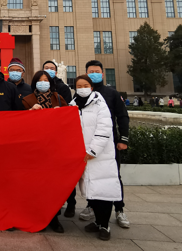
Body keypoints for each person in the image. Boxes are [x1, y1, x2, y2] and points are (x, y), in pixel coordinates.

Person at [80, 60, 129, 229]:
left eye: (97, 71)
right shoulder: (81, 95)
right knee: (90, 176)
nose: (94, 74)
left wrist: (123, 139)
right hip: (88, 145)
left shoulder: (111, 93)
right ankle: (91, 206)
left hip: (109, 145)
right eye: (90, 71)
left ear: (102, 74)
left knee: (113, 176)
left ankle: (119, 209)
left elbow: (122, 116)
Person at [73, 75, 122, 241]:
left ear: (91, 87)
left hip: (99, 156)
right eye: (79, 86)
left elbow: (104, 128)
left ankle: (104, 225)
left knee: (103, 192)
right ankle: (97, 222)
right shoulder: (73, 105)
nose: (82, 88)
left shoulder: (100, 104)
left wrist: (93, 150)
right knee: (91, 191)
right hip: (83, 156)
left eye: (85, 85)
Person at [23, 70, 67, 233]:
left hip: (54, 147)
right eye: (40, 80)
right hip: (34, 148)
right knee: (35, 184)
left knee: (53, 184)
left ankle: (54, 218)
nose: (43, 83)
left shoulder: (58, 98)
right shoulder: (27, 100)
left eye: (46, 80)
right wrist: (29, 113)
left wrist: (62, 113)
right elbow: (19, 123)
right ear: (34, 83)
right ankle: (37, 217)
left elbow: (69, 119)